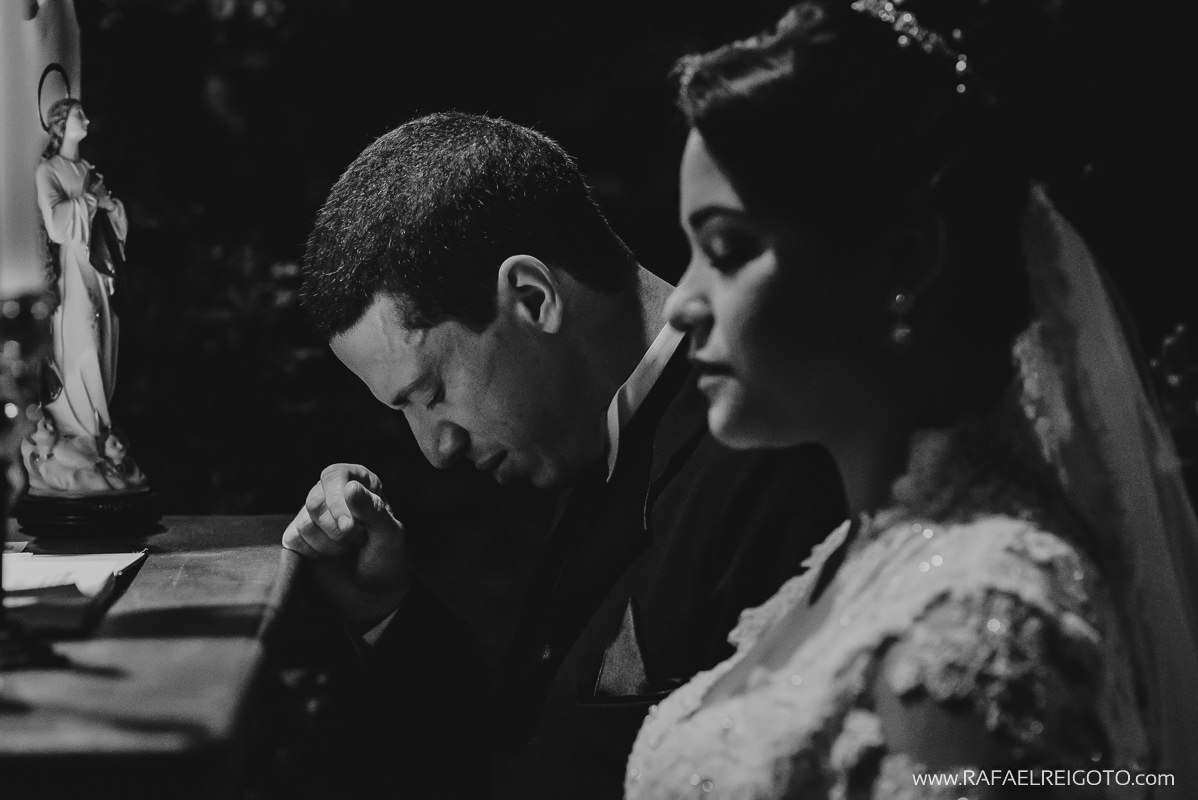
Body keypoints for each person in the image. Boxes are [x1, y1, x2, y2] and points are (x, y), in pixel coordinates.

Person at [624, 2, 1198, 798]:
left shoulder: (982, 620)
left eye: (727, 249)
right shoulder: (843, 568)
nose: (682, 303)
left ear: (904, 259)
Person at [283, 111, 848, 799]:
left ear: (531, 296)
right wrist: (387, 612)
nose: (435, 449)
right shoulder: (597, 441)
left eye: (431, 392)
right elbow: (529, 752)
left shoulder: (773, 459)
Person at [28, 97, 135, 493]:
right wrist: (90, 199)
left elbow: (109, 215)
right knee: (82, 340)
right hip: (71, 268)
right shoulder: (48, 170)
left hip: (94, 265)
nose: (86, 119)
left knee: (105, 333)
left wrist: (108, 205)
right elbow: (57, 223)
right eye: (78, 115)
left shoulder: (86, 169)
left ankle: (98, 426)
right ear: (59, 125)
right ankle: (76, 425)